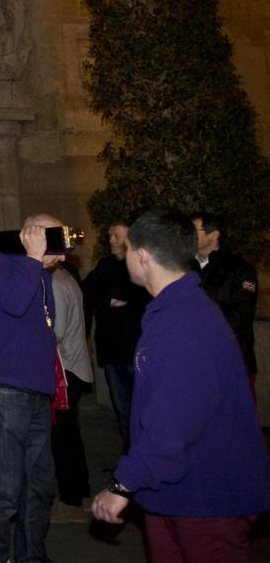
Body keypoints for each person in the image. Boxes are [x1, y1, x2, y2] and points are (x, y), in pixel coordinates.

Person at [91, 209, 270, 562]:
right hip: (175, 492)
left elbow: (172, 423)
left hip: (207, 497)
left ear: (141, 255)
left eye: (127, 247)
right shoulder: (170, 310)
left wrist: (122, 484)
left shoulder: (185, 322)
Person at [0, 214, 63, 563]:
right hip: (3, 388)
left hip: (36, 391)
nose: (66, 252)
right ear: (35, 234)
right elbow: (14, 303)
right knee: (5, 490)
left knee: (38, 487)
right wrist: (33, 258)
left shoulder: (41, 275)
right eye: (58, 239)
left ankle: (32, 558)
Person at [81, 222, 147, 452]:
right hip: (112, 351)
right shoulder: (105, 266)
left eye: (116, 236)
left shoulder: (140, 266)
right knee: (122, 409)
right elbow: (87, 292)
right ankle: (130, 452)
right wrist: (108, 302)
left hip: (137, 352)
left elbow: (142, 297)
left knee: (143, 409)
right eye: (109, 235)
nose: (111, 240)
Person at [192, 213, 259, 387]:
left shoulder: (239, 269)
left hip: (230, 358)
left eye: (194, 230)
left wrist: (203, 333)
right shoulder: (185, 268)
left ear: (214, 235)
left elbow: (241, 314)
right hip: (194, 360)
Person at [49, 263, 93, 515]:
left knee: (61, 437)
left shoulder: (55, 282)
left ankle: (70, 497)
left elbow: (57, 331)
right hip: (72, 368)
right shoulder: (66, 276)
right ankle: (80, 487)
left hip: (65, 372)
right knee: (70, 434)